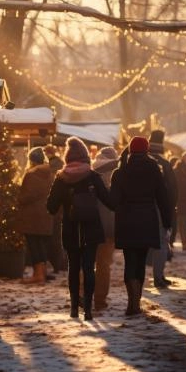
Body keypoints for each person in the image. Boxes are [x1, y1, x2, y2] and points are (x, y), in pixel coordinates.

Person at [46, 137, 113, 320]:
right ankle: (89, 309)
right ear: (85, 156)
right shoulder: (93, 176)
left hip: (70, 229)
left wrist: (66, 204)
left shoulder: (61, 178)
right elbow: (109, 202)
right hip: (91, 229)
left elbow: (51, 207)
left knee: (74, 268)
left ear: (67, 157)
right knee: (89, 267)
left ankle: (75, 307)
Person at [110, 137, 171, 316]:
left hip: (126, 221)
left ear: (129, 150)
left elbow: (113, 202)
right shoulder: (154, 170)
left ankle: (132, 302)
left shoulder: (120, 173)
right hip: (147, 219)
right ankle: (136, 302)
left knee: (130, 261)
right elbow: (163, 198)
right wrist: (167, 222)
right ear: (147, 150)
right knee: (141, 263)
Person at [16, 147, 53, 285]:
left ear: (31, 160)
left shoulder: (32, 174)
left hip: (32, 216)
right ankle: (42, 273)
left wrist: (19, 198)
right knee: (40, 245)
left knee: (34, 245)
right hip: (45, 215)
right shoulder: (49, 174)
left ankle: (38, 275)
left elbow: (27, 196)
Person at [147, 130, 177, 289]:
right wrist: (171, 209)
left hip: (139, 209)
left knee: (140, 243)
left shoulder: (136, 162)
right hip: (159, 208)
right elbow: (173, 189)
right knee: (160, 243)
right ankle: (158, 276)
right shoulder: (164, 165)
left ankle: (137, 279)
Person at [92, 147, 118, 310]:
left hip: (90, 225)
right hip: (109, 227)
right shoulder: (118, 173)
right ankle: (100, 300)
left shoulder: (90, 173)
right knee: (103, 265)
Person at [43, 144, 66, 273]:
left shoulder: (51, 167)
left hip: (55, 207)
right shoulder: (59, 164)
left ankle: (58, 264)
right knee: (56, 237)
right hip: (59, 207)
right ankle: (59, 264)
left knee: (54, 238)